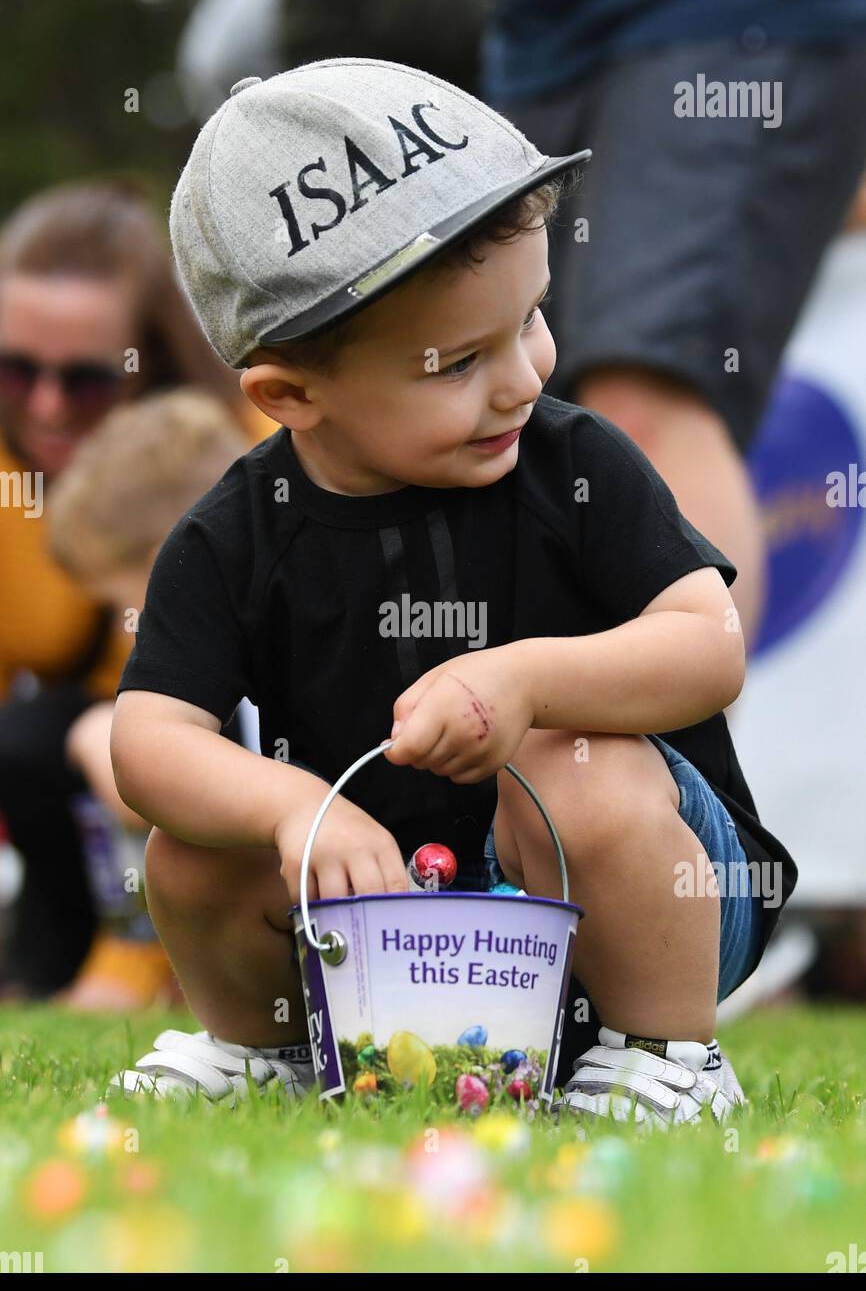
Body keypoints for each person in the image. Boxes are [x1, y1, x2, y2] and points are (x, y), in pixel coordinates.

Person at [109, 61, 797, 1124]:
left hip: (656, 898)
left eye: (529, 320)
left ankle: (663, 1056)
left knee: (563, 758)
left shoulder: (574, 464)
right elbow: (148, 740)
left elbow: (706, 644)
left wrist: (527, 679)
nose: (522, 377)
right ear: (291, 394)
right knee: (191, 843)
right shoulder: (235, 533)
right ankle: (273, 1043)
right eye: (456, 360)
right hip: (384, 929)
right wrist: (288, 807)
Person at [480, 0, 866, 651]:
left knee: (639, 411)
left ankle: (676, 753)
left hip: (736, 4)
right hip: (535, 29)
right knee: (526, 431)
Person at [0, 178, 275, 997]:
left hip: (219, 745)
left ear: (146, 354)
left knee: (155, 755)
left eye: (84, 377)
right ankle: (53, 964)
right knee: (28, 741)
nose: (46, 404)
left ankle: (168, 965)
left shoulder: (248, 458)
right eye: (15, 370)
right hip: (74, 759)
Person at [44, 388, 251, 1009]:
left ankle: (161, 972)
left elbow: (154, 794)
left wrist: (94, 737)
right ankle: (147, 967)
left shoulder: (246, 661)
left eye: (120, 603)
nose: (117, 628)